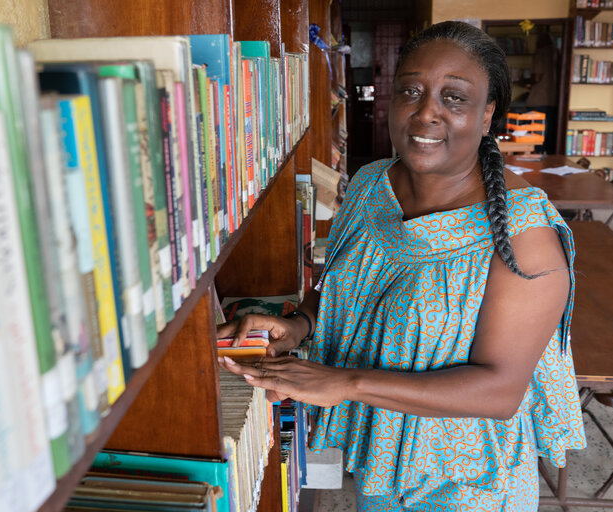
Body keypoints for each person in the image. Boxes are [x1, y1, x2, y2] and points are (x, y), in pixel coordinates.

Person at [218, 20, 585, 511]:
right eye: (411, 90)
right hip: (384, 459)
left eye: (454, 98)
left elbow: (499, 391)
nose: (426, 112)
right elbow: (349, 285)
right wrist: (298, 325)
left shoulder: (524, 235)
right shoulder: (372, 185)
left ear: (487, 113)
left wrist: (346, 382)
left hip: (465, 482)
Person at [525, 31, 560, 155]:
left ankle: (536, 159)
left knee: (536, 136)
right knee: (549, 135)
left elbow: (537, 78)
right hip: (554, 100)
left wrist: (521, 81)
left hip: (539, 100)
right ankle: (547, 159)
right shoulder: (557, 53)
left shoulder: (541, 53)